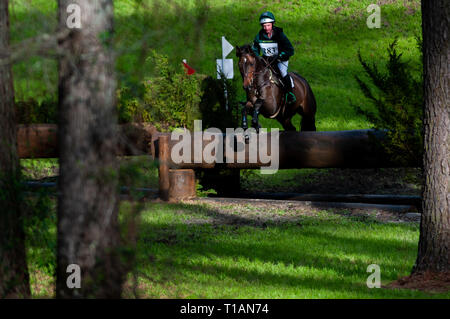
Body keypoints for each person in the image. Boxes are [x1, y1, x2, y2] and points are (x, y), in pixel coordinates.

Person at [251, 11, 296, 104]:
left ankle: (289, 94)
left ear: (272, 24)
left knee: (283, 73)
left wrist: (280, 55)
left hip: (280, 60)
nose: (266, 28)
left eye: (268, 25)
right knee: (256, 73)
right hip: (266, 60)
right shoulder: (259, 37)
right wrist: (258, 58)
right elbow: (254, 50)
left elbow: (290, 49)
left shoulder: (280, 35)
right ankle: (252, 95)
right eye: (264, 26)